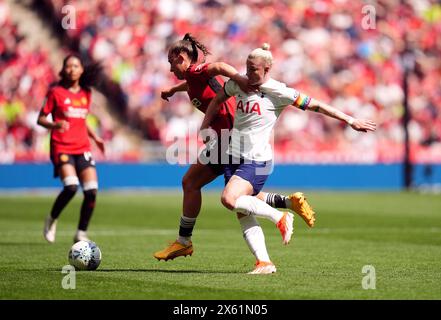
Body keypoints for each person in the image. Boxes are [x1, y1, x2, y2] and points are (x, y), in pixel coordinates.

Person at [200, 43, 376, 274]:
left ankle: (281, 216)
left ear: (267, 69)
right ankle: (264, 262)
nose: (249, 73)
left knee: (229, 200)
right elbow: (217, 100)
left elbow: (317, 105)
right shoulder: (238, 84)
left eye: (254, 69)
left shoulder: (278, 91)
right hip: (234, 155)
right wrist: (204, 126)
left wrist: (350, 120)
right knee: (243, 212)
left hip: (257, 160)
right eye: (247, 67)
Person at [154, 34, 316, 263]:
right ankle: (288, 205)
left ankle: (184, 242)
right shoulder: (192, 78)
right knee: (240, 197)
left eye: (172, 64)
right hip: (230, 138)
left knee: (192, 183)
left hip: (228, 139)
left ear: (181, 58)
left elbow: (219, 66)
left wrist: (239, 79)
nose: (171, 69)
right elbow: (194, 83)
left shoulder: (196, 71)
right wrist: (173, 89)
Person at [37, 54, 105, 244]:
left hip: (82, 146)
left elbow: (81, 120)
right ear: (63, 69)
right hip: (62, 146)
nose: (72, 69)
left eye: (76, 66)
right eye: (68, 66)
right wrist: (54, 125)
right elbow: (40, 118)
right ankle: (51, 219)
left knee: (91, 190)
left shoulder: (86, 93)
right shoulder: (55, 92)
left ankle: (81, 232)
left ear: (82, 70)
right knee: (71, 187)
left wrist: (96, 138)